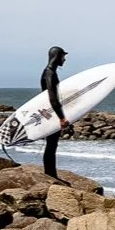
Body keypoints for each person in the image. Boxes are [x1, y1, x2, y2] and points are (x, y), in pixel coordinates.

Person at [40, 46, 69, 179]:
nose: (64, 59)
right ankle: (50, 174)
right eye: (63, 56)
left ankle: (51, 173)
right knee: (51, 144)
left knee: (52, 144)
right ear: (57, 56)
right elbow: (52, 98)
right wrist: (62, 118)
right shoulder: (49, 73)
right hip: (52, 114)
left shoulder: (50, 72)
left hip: (51, 113)